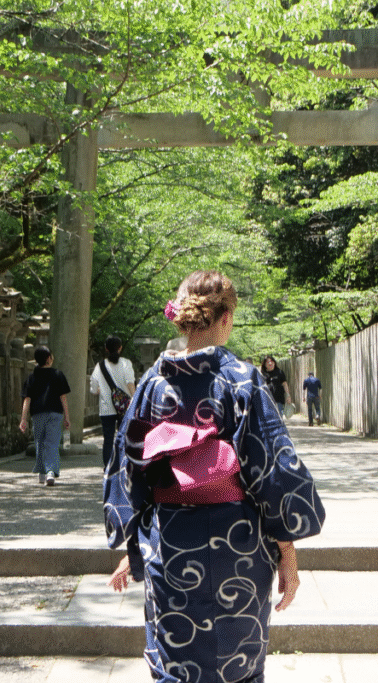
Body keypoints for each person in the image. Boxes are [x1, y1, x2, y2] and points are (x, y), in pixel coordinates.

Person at [103, 270, 325, 683]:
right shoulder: (242, 380)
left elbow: (128, 473)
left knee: (175, 664)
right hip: (236, 550)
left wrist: (132, 545)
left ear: (182, 318)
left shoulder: (151, 385)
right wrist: (289, 560)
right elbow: (273, 474)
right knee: (236, 666)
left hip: (170, 548)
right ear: (225, 318)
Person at [19, 346, 71, 486]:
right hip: (55, 413)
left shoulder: (32, 377)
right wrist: (67, 417)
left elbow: (27, 399)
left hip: (38, 414)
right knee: (52, 443)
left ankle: (43, 472)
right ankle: (50, 472)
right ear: (48, 359)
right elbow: (63, 398)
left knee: (40, 442)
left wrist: (23, 419)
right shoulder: (58, 374)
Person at [90, 335, 137, 469]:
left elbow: (93, 388)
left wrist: (99, 390)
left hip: (106, 408)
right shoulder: (126, 363)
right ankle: (123, 464)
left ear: (106, 349)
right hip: (125, 407)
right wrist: (135, 401)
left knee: (108, 439)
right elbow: (130, 383)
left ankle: (108, 466)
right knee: (124, 436)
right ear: (120, 348)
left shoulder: (100, 366)